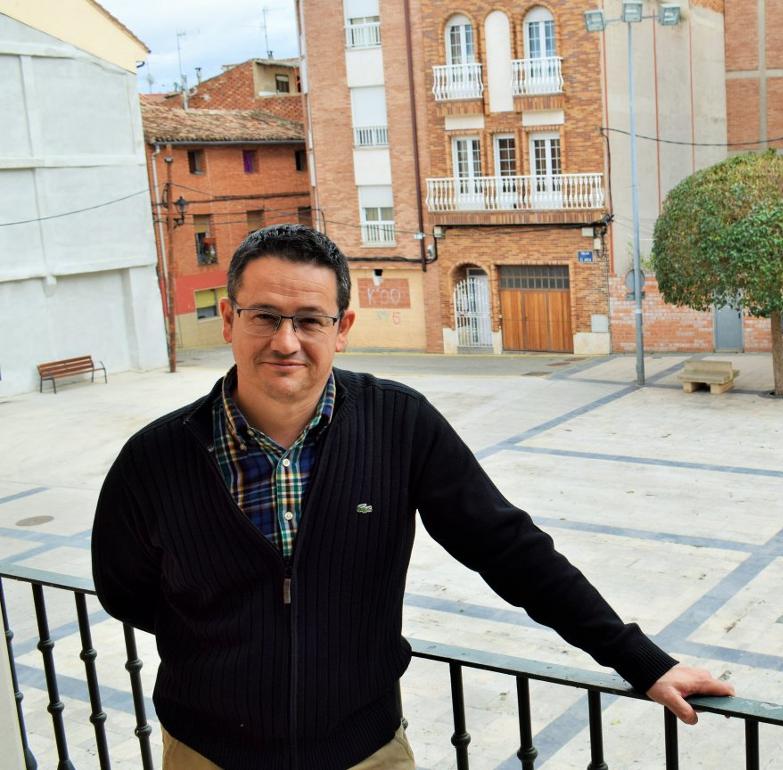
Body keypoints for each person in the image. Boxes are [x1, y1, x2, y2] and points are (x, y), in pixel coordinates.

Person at [92, 225, 733, 770]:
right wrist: (229, 648)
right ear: (230, 319)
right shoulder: (157, 457)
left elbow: (509, 549)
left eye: (309, 320)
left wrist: (640, 661)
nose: (286, 341)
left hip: (366, 753)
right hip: (206, 756)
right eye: (265, 317)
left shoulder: (399, 425)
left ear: (341, 328)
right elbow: (125, 589)